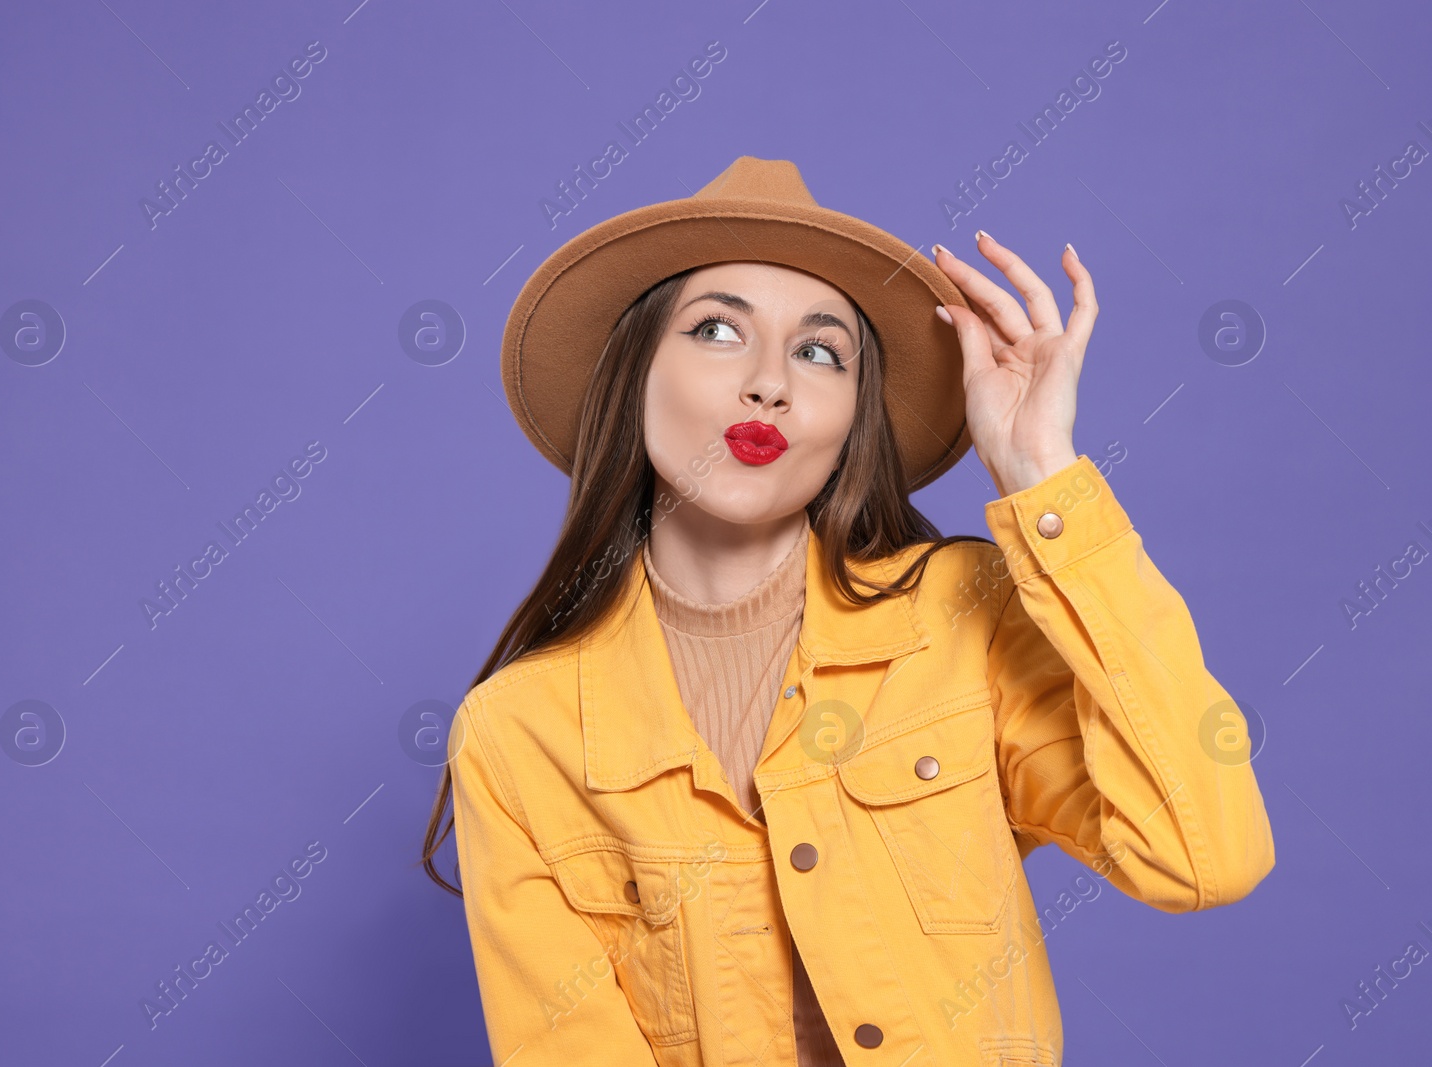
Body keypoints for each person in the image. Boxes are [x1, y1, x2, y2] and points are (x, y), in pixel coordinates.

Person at [419, 155, 1275, 1066]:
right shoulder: (517, 734)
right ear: (632, 379)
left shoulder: (962, 614)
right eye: (716, 331)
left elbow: (1202, 856)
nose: (770, 384)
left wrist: (1043, 478)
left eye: (819, 351)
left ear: (851, 418)